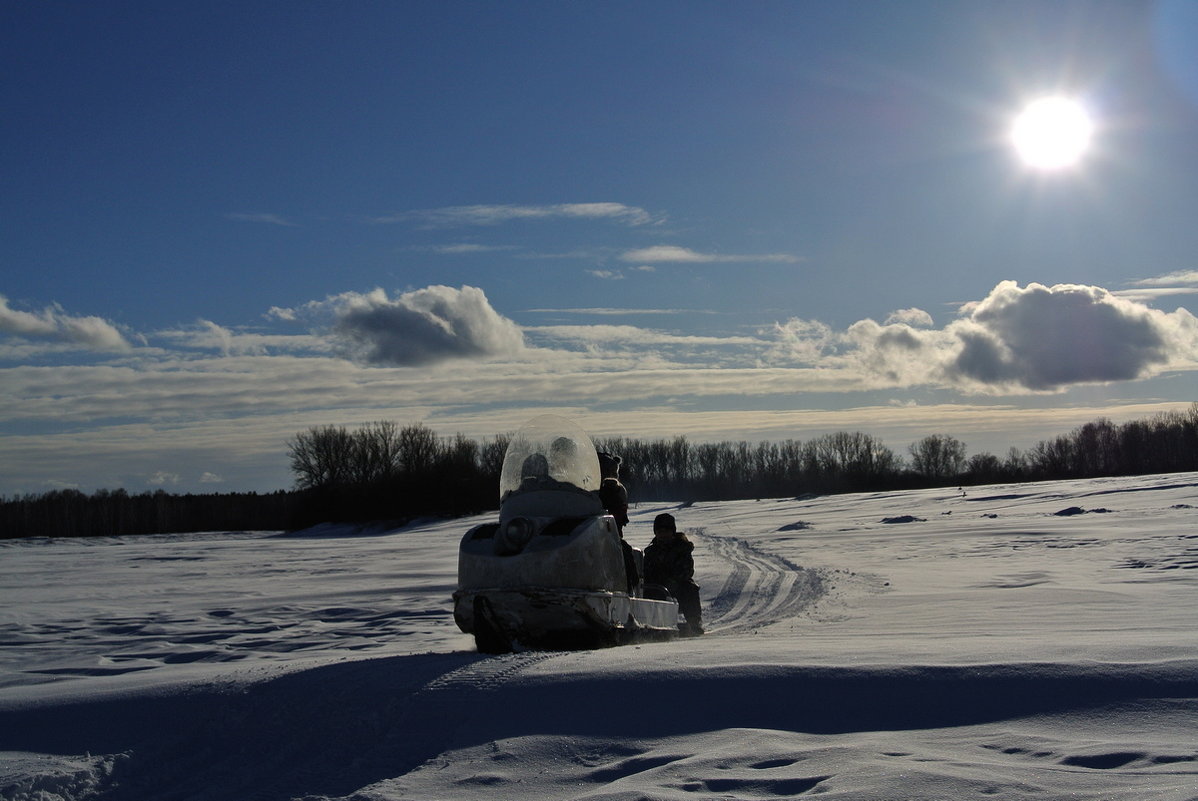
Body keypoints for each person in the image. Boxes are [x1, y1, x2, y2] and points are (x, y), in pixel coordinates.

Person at [643, 512, 703, 635]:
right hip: (657, 588)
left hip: (677, 587)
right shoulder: (651, 552)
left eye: (666, 531)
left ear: (672, 532)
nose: (663, 535)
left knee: (690, 589)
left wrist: (673, 580)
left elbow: (687, 570)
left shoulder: (682, 548)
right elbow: (645, 572)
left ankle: (694, 623)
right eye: (660, 532)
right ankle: (647, 625)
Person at [597, 451, 638, 594]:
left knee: (622, 551)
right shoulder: (576, 488)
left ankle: (628, 592)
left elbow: (619, 513)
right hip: (573, 532)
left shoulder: (615, 490)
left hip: (606, 535)